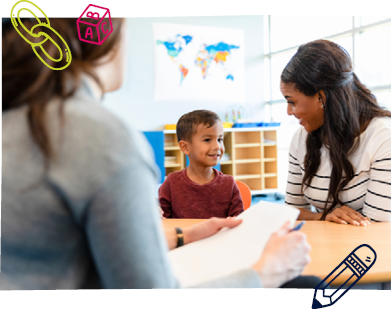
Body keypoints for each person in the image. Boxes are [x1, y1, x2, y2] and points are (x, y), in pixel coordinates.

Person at [2, 17, 313, 289]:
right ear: (109, 43)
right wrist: (266, 274)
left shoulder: (15, 119)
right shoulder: (103, 138)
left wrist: (183, 236)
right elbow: (153, 297)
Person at [281, 39, 391, 225]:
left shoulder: (383, 137)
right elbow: (291, 210)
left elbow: (375, 227)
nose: (289, 112)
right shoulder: (302, 137)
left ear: (321, 97)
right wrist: (323, 216)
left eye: (292, 101)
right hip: (327, 243)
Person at [159, 110, 244, 219]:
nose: (217, 146)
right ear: (185, 147)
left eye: (219, 139)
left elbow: (239, 222)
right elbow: (161, 222)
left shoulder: (229, 184)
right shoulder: (172, 183)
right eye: (207, 140)